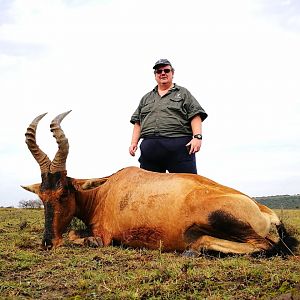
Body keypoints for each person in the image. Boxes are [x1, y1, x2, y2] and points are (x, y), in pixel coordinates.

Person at [129, 59, 208, 174]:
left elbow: (195, 115)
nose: (163, 73)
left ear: (172, 73)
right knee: (150, 189)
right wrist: (133, 143)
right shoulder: (146, 98)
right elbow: (138, 122)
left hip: (179, 147)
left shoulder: (183, 93)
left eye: (166, 70)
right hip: (150, 150)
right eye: (159, 71)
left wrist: (197, 137)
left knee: (185, 186)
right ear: (155, 75)